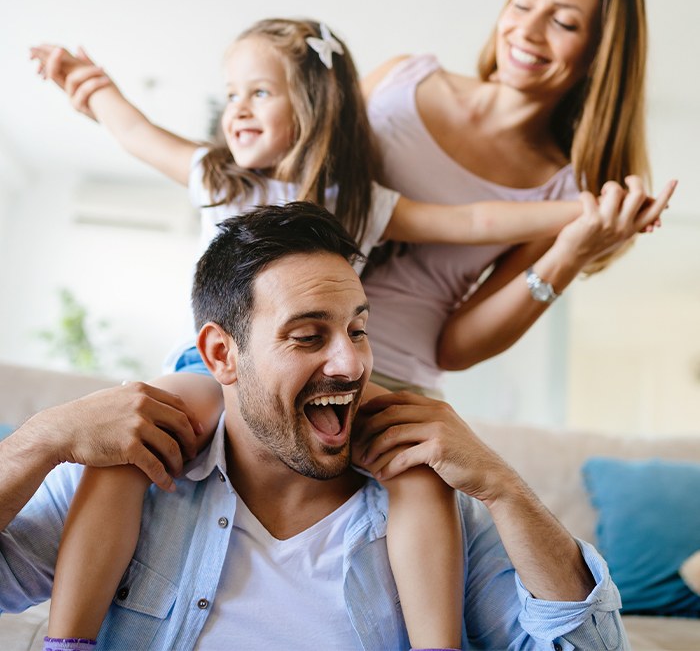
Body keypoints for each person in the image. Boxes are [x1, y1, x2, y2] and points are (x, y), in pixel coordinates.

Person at [28, 17, 642, 651]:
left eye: (260, 93)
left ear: (313, 107)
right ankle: (67, 641)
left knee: (416, 470)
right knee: (129, 446)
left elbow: (478, 218)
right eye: (232, 94)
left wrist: (588, 211)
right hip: (201, 372)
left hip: (320, 381)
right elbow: (136, 133)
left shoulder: (363, 202)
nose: (237, 109)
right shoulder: (218, 176)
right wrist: (92, 87)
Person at [1, 202, 630, 650]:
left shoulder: (433, 504)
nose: (351, 362)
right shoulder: (137, 474)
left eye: (359, 330)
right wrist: (41, 439)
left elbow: (589, 649)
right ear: (222, 355)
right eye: (308, 336)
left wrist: (503, 487)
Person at [360, 0, 674, 396]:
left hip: (388, 379)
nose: (527, 31)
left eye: (564, 23)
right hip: (276, 341)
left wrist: (571, 254)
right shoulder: (398, 79)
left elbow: (455, 350)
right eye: (523, 5)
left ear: (598, 56)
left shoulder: (563, 191)